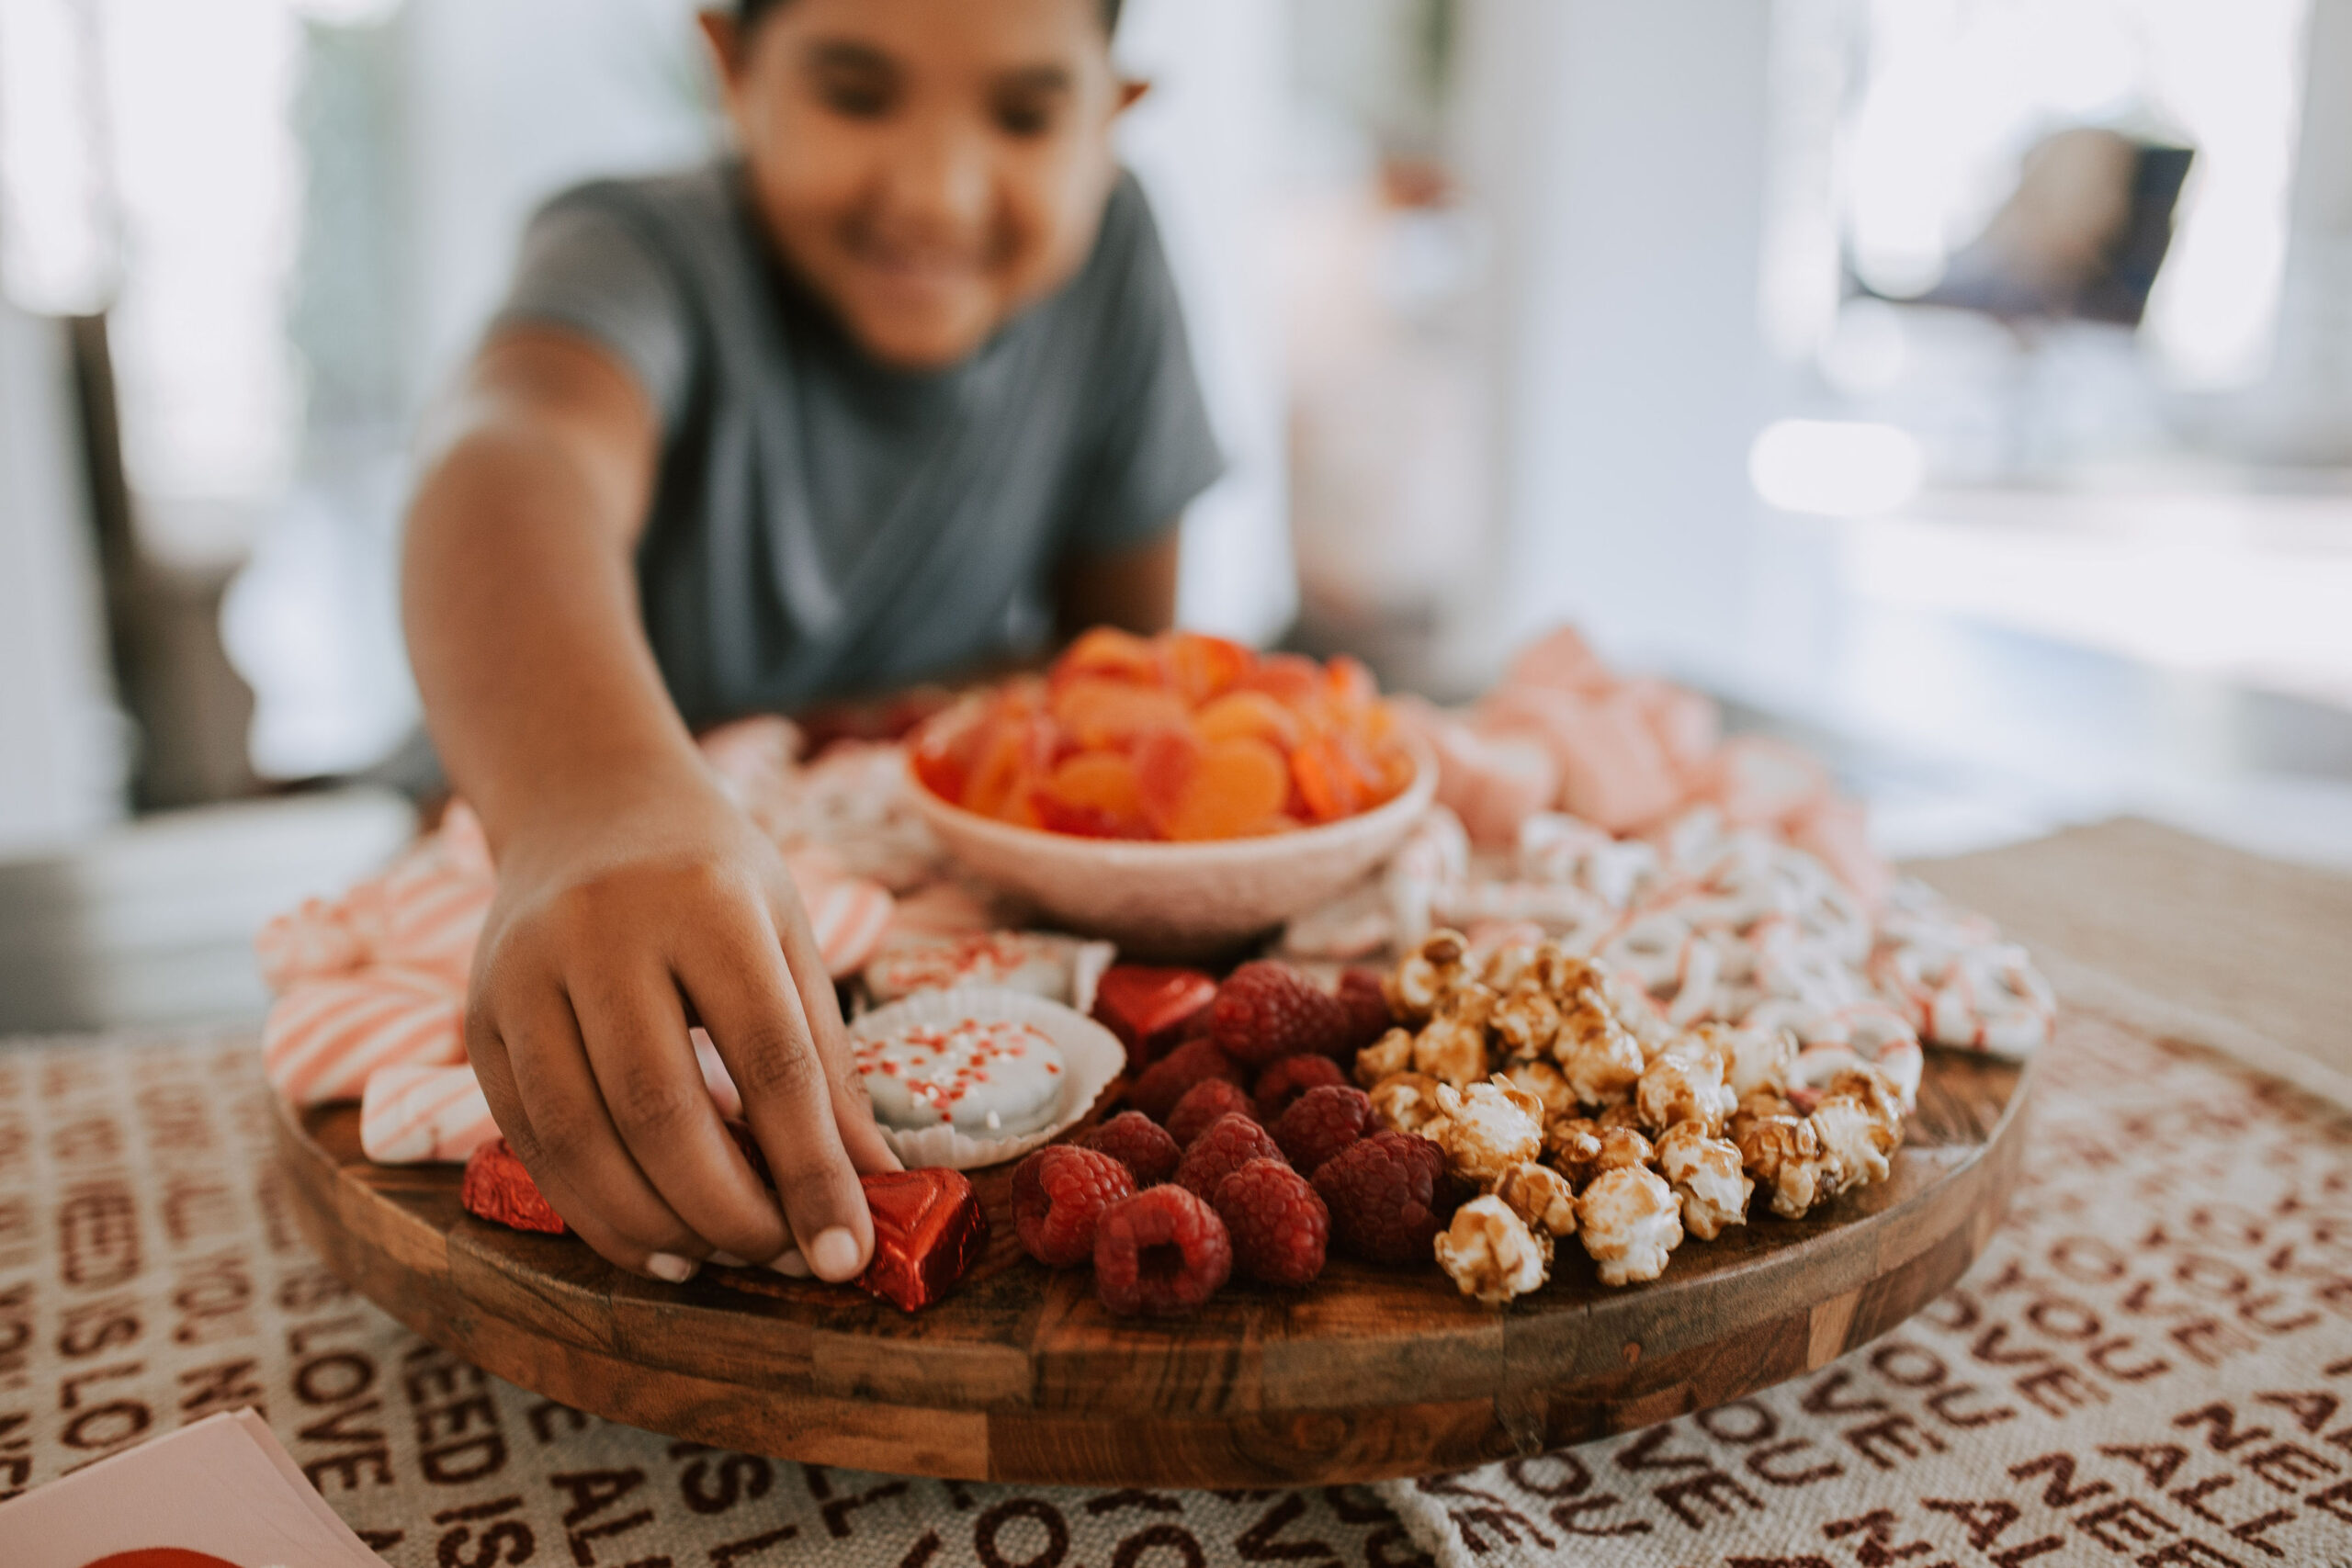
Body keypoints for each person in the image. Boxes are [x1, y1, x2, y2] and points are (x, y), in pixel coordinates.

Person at [401, 0, 1221, 1288]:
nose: (939, 192)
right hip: (532, 873)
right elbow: (513, 456)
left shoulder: (1115, 254)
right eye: (856, 92)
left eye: (1023, 113)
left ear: (1113, 118)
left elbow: (1114, 688)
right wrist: (587, 799)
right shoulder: (637, 249)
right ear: (731, 72)